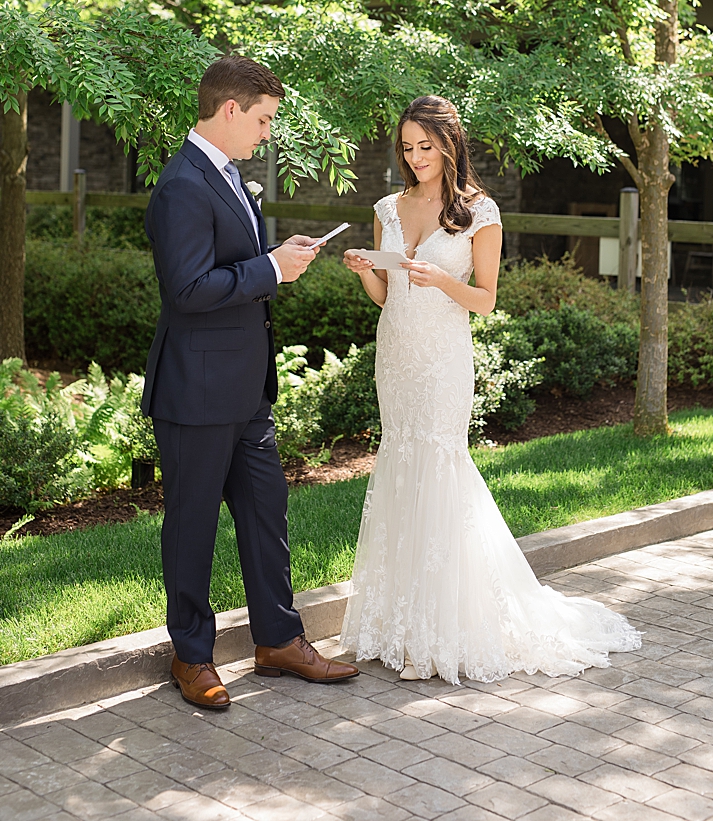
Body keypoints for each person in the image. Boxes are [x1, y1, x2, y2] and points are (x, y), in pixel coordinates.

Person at [339, 95, 639, 683]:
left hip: (444, 356)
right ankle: (399, 623)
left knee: (440, 461)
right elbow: (384, 296)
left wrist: (441, 281)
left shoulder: (481, 212)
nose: (416, 156)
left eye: (425, 146)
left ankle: (448, 624)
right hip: (396, 351)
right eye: (407, 147)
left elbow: (486, 299)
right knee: (401, 458)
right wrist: (368, 270)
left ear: (450, 144)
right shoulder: (387, 207)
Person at [143, 53, 360, 710]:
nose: (267, 133)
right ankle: (192, 654)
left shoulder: (230, 176)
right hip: (196, 390)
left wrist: (276, 258)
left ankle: (278, 640)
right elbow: (185, 290)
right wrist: (271, 269)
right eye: (263, 119)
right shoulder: (182, 184)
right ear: (230, 109)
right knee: (191, 527)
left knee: (267, 515)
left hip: (246, 389)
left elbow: (234, 265)